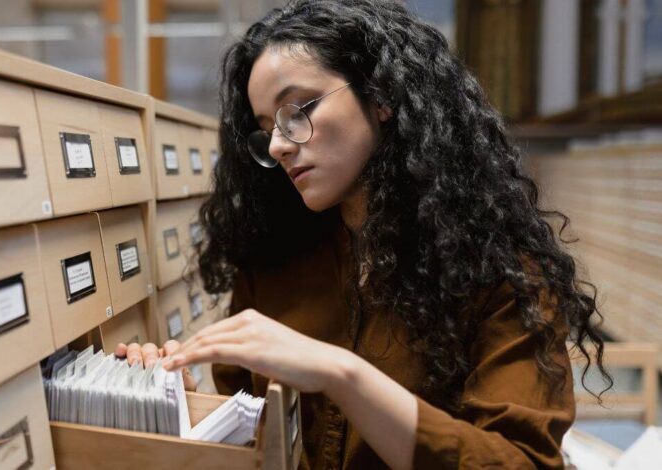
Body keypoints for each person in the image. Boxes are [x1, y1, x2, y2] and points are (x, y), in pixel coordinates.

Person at [116, 1, 611, 468]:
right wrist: (181, 406)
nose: (279, 145)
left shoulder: (501, 276)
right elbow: (251, 439)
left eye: (298, 110)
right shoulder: (271, 263)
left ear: (381, 97)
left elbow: (520, 461)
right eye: (266, 128)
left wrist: (342, 375)